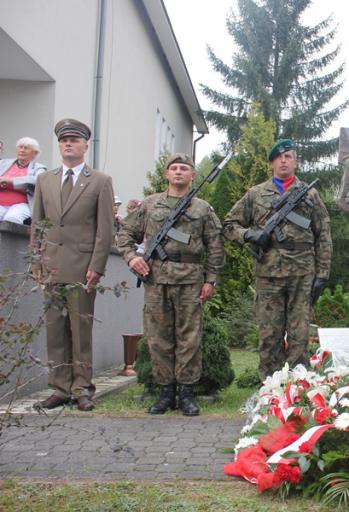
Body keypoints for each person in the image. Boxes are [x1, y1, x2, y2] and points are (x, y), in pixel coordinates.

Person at [116, 153, 225, 416]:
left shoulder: (202, 208)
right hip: (156, 279)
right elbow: (125, 234)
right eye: (173, 168)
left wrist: (211, 279)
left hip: (190, 279)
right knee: (158, 337)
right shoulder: (150, 205)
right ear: (166, 174)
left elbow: (216, 246)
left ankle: (187, 393)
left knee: (189, 337)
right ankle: (165, 392)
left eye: (184, 168)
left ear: (192, 175)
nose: (178, 172)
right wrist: (132, 259)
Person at [223, 139, 332, 380]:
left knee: (300, 333)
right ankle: (269, 386)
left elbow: (323, 234)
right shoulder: (256, 193)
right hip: (268, 273)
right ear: (272, 162)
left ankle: (299, 384)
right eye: (279, 157)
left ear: (296, 161)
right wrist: (249, 234)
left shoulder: (310, 194)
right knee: (269, 333)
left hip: (302, 273)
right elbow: (229, 225)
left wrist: (322, 274)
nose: (284, 161)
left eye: (289, 156)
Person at [30, 119, 114, 411]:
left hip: (82, 267)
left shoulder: (100, 181)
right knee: (55, 331)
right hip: (51, 266)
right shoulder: (45, 180)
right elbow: (38, 224)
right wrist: (37, 262)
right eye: (64, 140)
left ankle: (81, 388)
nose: (68, 144)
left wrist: (97, 266)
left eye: (74, 140)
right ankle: (59, 387)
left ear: (85, 146)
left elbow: (105, 229)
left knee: (80, 331)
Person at [0, 137, 47, 224]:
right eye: (20, 147)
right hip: (1, 203)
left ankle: (11, 238)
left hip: (21, 204)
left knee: (11, 219)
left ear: (35, 153)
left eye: (26, 148)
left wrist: (10, 181)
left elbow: (36, 180)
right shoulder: (3, 163)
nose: (22, 150)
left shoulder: (39, 168)